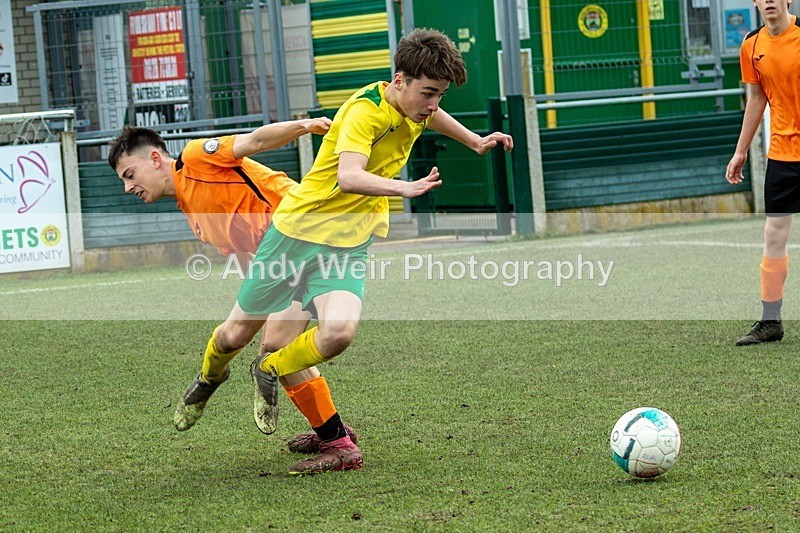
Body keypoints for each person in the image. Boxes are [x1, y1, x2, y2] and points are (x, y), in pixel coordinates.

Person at [187, 28, 513, 475]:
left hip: (348, 244)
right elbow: (348, 177)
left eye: (439, 94)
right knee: (234, 336)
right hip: (296, 235)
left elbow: (428, 119)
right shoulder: (364, 112)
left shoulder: (414, 104)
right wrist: (405, 186)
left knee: (336, 334)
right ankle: (208, 379)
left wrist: (474, 140)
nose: (434, 104)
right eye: (429, 93)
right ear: (399, 80)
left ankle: (275, 374)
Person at [107, 119, 359, 454]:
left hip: (306, 231)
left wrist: (304, 125)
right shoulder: (194, 215)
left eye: (129, 175)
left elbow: (254, 140)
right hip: (284, 262)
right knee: (270, 346)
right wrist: (254, 302)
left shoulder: (196, 157)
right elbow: (244, 255)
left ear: (155, 159)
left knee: (258, 344)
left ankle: (210, 380)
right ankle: (335, 434)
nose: (128, 188)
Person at [726, 0, 800, 346]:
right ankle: (771, 322)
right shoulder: (751, 44)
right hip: (783, 154)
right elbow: (756, 98)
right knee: (773, 235)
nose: (769, 0)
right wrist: (741, 150)